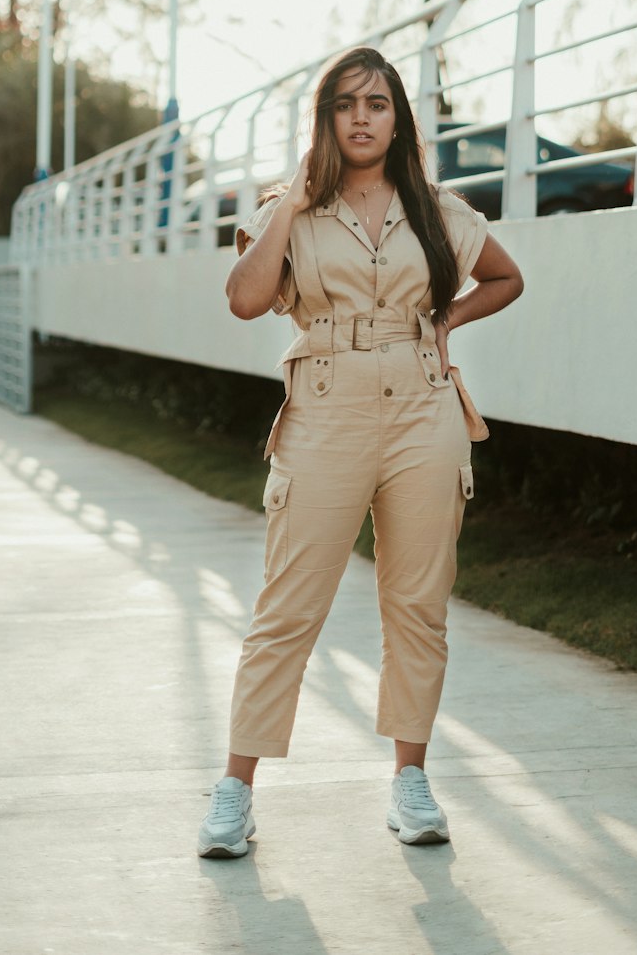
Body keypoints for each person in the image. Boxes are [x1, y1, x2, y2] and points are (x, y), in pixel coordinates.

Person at [197, 47, 523, 857]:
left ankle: (411, 781)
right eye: (346, 104)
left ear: (398, 117)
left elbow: (507, 277)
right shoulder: (290, 210)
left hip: (423, 410)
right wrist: (293, 198)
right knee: (287, 609)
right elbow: (243, 301)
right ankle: (234, 791)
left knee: (417, 603)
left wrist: (445, 324)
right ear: (326, 119)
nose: (362, 117)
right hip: (325, 412)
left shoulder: (437, 209)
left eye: (377, 103)